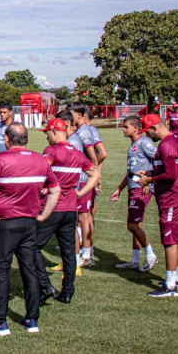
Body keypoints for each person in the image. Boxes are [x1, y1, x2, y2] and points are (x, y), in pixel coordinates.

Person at [0, 123, 60, 336]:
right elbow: (55, 189)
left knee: (2, 271)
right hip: (30, 223)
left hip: (5, 224)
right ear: (26, 139)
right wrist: (43, 215)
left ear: (7, 139)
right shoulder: (40, 160)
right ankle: (31, 319)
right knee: (30, 270)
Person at [38, 118, 99, 304]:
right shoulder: (77, 153)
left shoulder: (52, 150)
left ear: (55, 132)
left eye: (47, 133)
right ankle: (67, 292)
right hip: (70, 209)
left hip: (52, 207)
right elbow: (95, 174)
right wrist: (80, 192)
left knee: (31, 246)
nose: (47, 137)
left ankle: (45, 285)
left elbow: (42, 168)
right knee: (69, 251)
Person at [136, 114, 178, 297]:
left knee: (169, 241)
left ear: (154, 127)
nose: (147, 136)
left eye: (148, 131)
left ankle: (170, 286)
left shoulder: (166, 146)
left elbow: (171, 175)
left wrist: (149, 179)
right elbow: (168, 169)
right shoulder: (174, 141)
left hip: (172, 199)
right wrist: (151, 171)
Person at [110, 116, 158, 272]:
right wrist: (120, 188)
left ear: (136, 129)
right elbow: (130, 172)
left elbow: (160, 161)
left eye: (126, 127)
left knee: (132, 225)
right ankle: (135, 260)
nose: (123, 130)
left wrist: (150, 181)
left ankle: (150, 255)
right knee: (136, 224)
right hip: (133, 187)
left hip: (141, 189)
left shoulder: (145, 143)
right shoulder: (133, 146)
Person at [69, 103, 107, 267]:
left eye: (71, 114)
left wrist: (95, 175)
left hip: (84, 179)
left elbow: (95, 155)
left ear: (79, 115)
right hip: (84, 178)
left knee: (84, 217)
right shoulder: (83, 130)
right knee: (86, 216)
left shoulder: (84, 131)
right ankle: (86, 250)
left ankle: (86, 253)